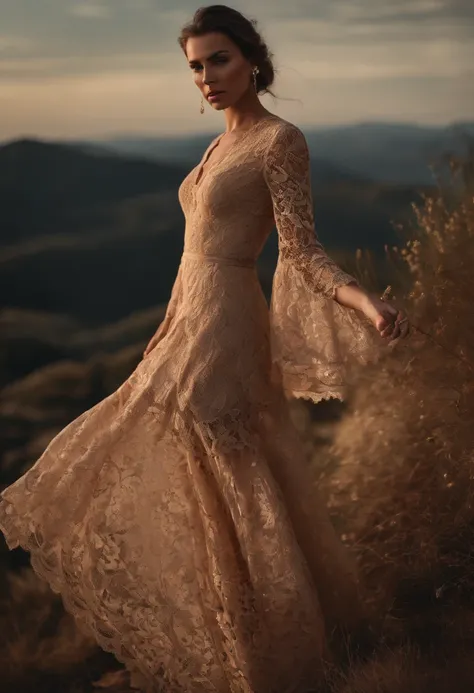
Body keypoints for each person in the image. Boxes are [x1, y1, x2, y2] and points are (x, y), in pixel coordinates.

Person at [0, 5, 410, 693]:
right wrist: (164, 327)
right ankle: (238, 640)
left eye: (218, 59)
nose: (206, 77)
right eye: (194, 65)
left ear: (251, 58)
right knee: (191, 471)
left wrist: (367, 303)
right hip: (189, 322)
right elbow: (192, 255)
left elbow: (301, 251)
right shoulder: (218, 145)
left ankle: (268, 652)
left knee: (219, 470)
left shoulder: (281, 141)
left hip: (226, 328)